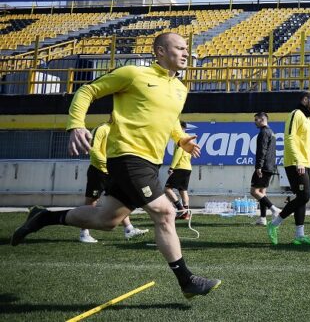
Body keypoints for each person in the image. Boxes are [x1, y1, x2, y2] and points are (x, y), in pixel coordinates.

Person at [11, 32, 221, 298]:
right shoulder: (133, 74)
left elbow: (169, 121)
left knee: (107, 219)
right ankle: (187, 281)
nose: (185, 53)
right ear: (160, 51)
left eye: (186, 49)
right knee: (165, 212)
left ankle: (43, 217)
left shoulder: (181, 88)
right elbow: (88, 90)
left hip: (151, 162)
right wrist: (76, 125)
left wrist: (181, 140)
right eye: (179, 48)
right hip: (127, 156)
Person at [267, 91, 310, 246]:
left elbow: (306, 145)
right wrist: (298, 161)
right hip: (296, 164)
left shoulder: (306, 119)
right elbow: (289, 138)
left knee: (302, 198)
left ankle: (299, 236)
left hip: (304, 163)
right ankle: (274, 224)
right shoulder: (296, 114)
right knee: (304, 197)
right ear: (304, 100)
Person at [80, 117, 148, 243]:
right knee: (91, 202)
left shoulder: (119, 130)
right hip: (98, 171)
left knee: (119, 200)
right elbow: (93, 149)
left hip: (113, 172)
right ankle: (84, 233)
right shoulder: (101, 129)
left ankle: (129, 229)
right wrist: (108, 164)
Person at [251, 112, 281, 226]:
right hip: (270, 166)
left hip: (263, 167)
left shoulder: (263, 132)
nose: (255, 122)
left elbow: (262, 150)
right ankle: (263, 218)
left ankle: (274, 209)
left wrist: (259, 166)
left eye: (256, 120)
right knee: (262, 193)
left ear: (262, 119)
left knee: (254, 191)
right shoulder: (271, 132)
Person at [165, 121, 193, 221]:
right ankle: (186, 214)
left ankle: (180, 209)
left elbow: (178, 153)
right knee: (183, 190)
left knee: (167, 189)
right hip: (188, 167)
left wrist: (171, 167)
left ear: (180, 127)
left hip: (180, 167)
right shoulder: (189, 138)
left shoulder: (181, 138)